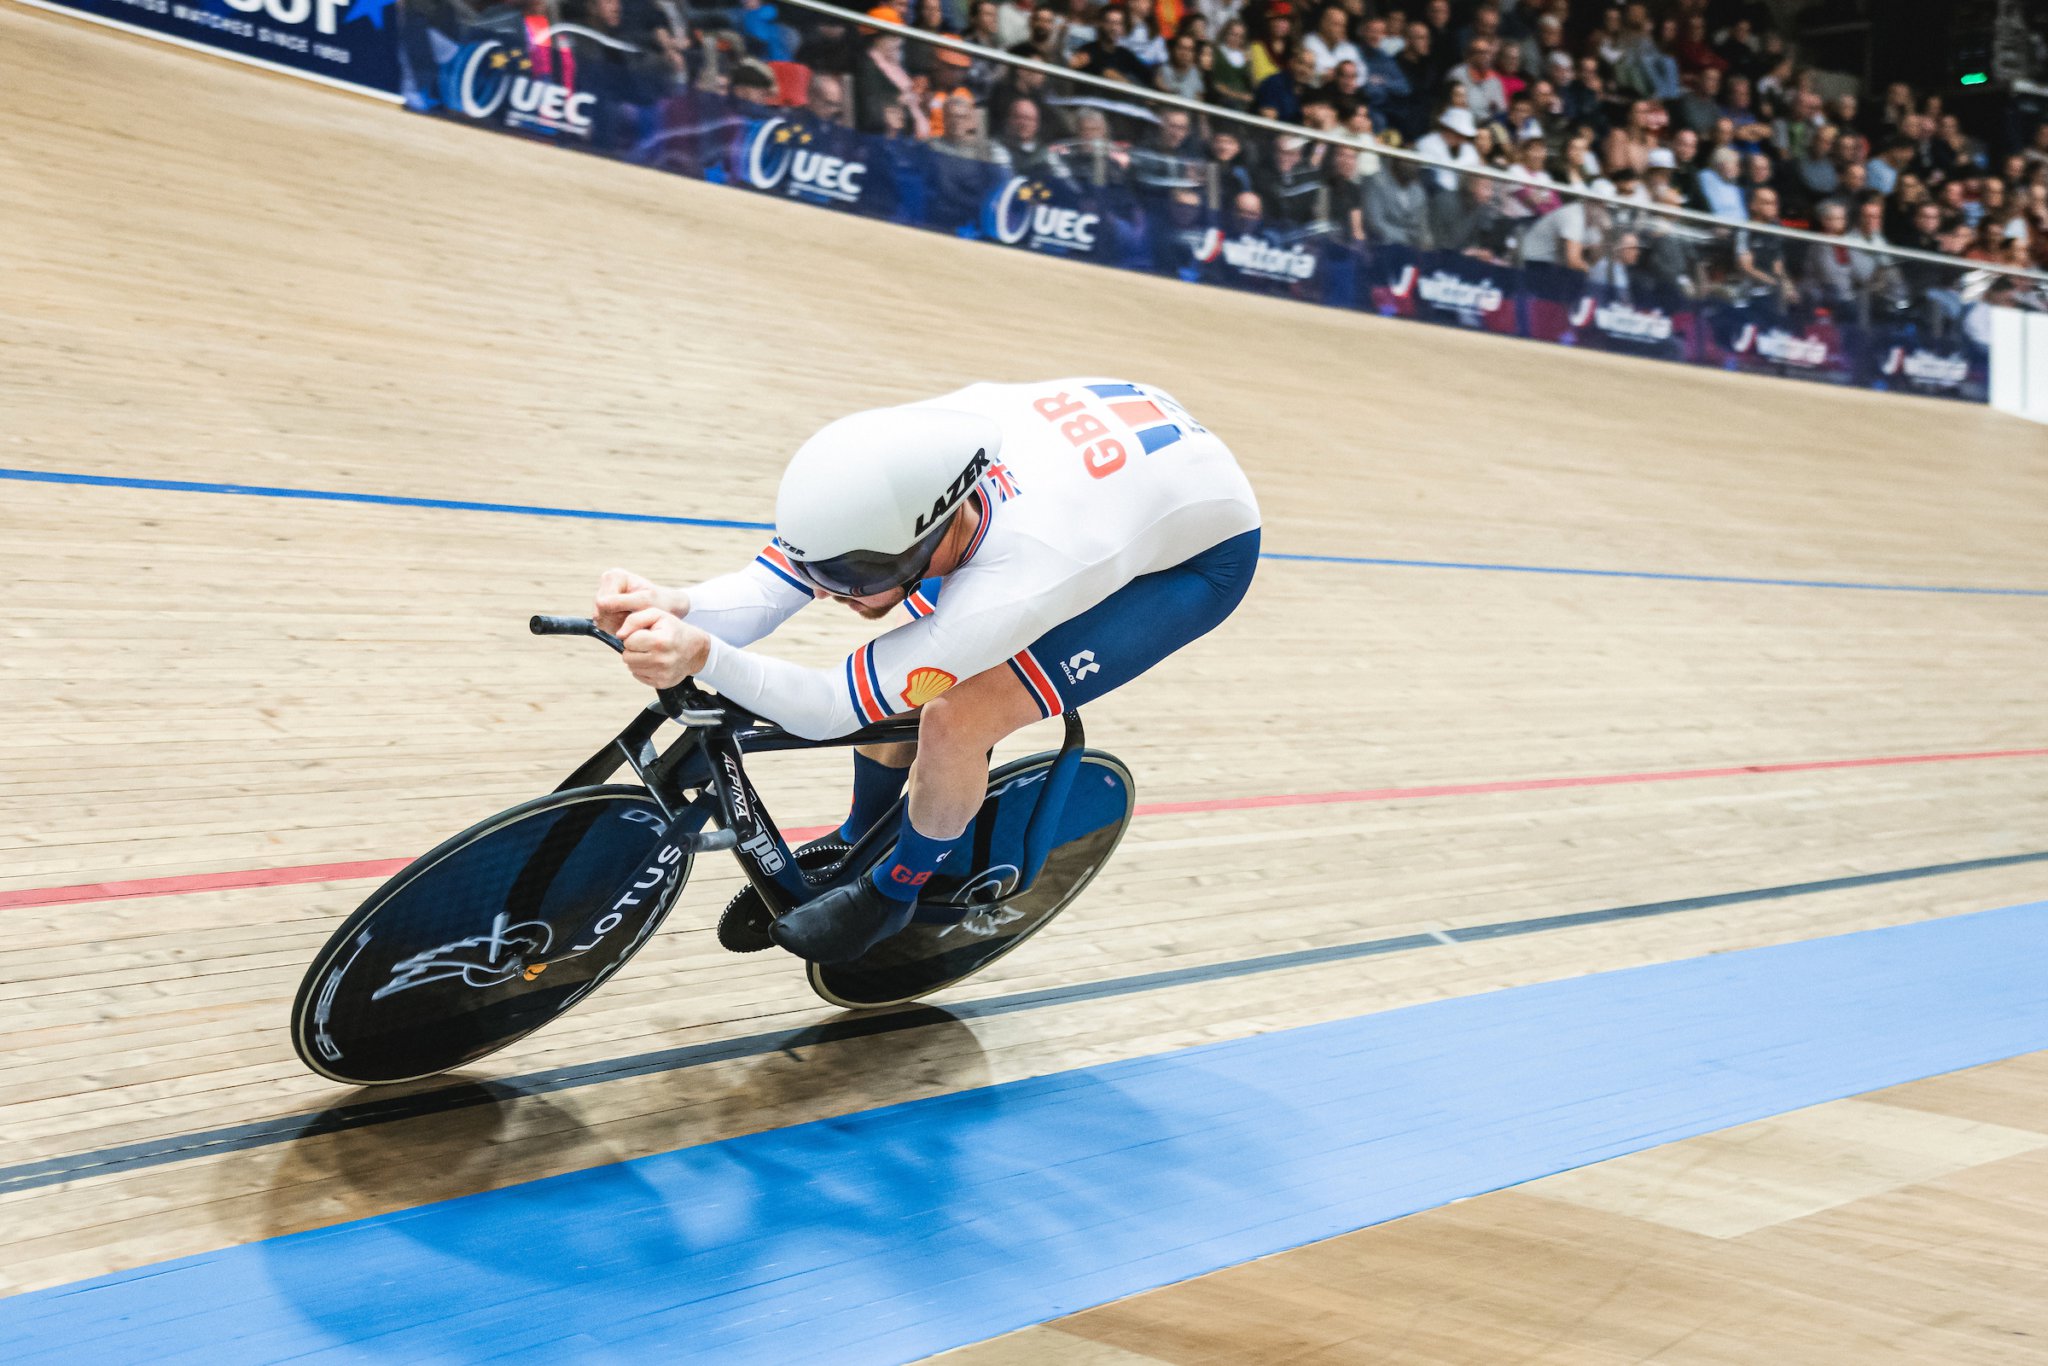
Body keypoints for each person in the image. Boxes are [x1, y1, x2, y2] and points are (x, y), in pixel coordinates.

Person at [593, 381, 1262, 963]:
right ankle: (861, 838)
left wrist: (703, 655)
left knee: (955, 716)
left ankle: (896, 891)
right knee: (910, 670)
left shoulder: (1019, 579)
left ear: (925, 538)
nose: (828, 591)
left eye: (850, 576)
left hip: (1195, 560)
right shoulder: (907, 458)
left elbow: (831, 707)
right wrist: (678, 603)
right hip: (1109, 475)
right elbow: (774, 584)